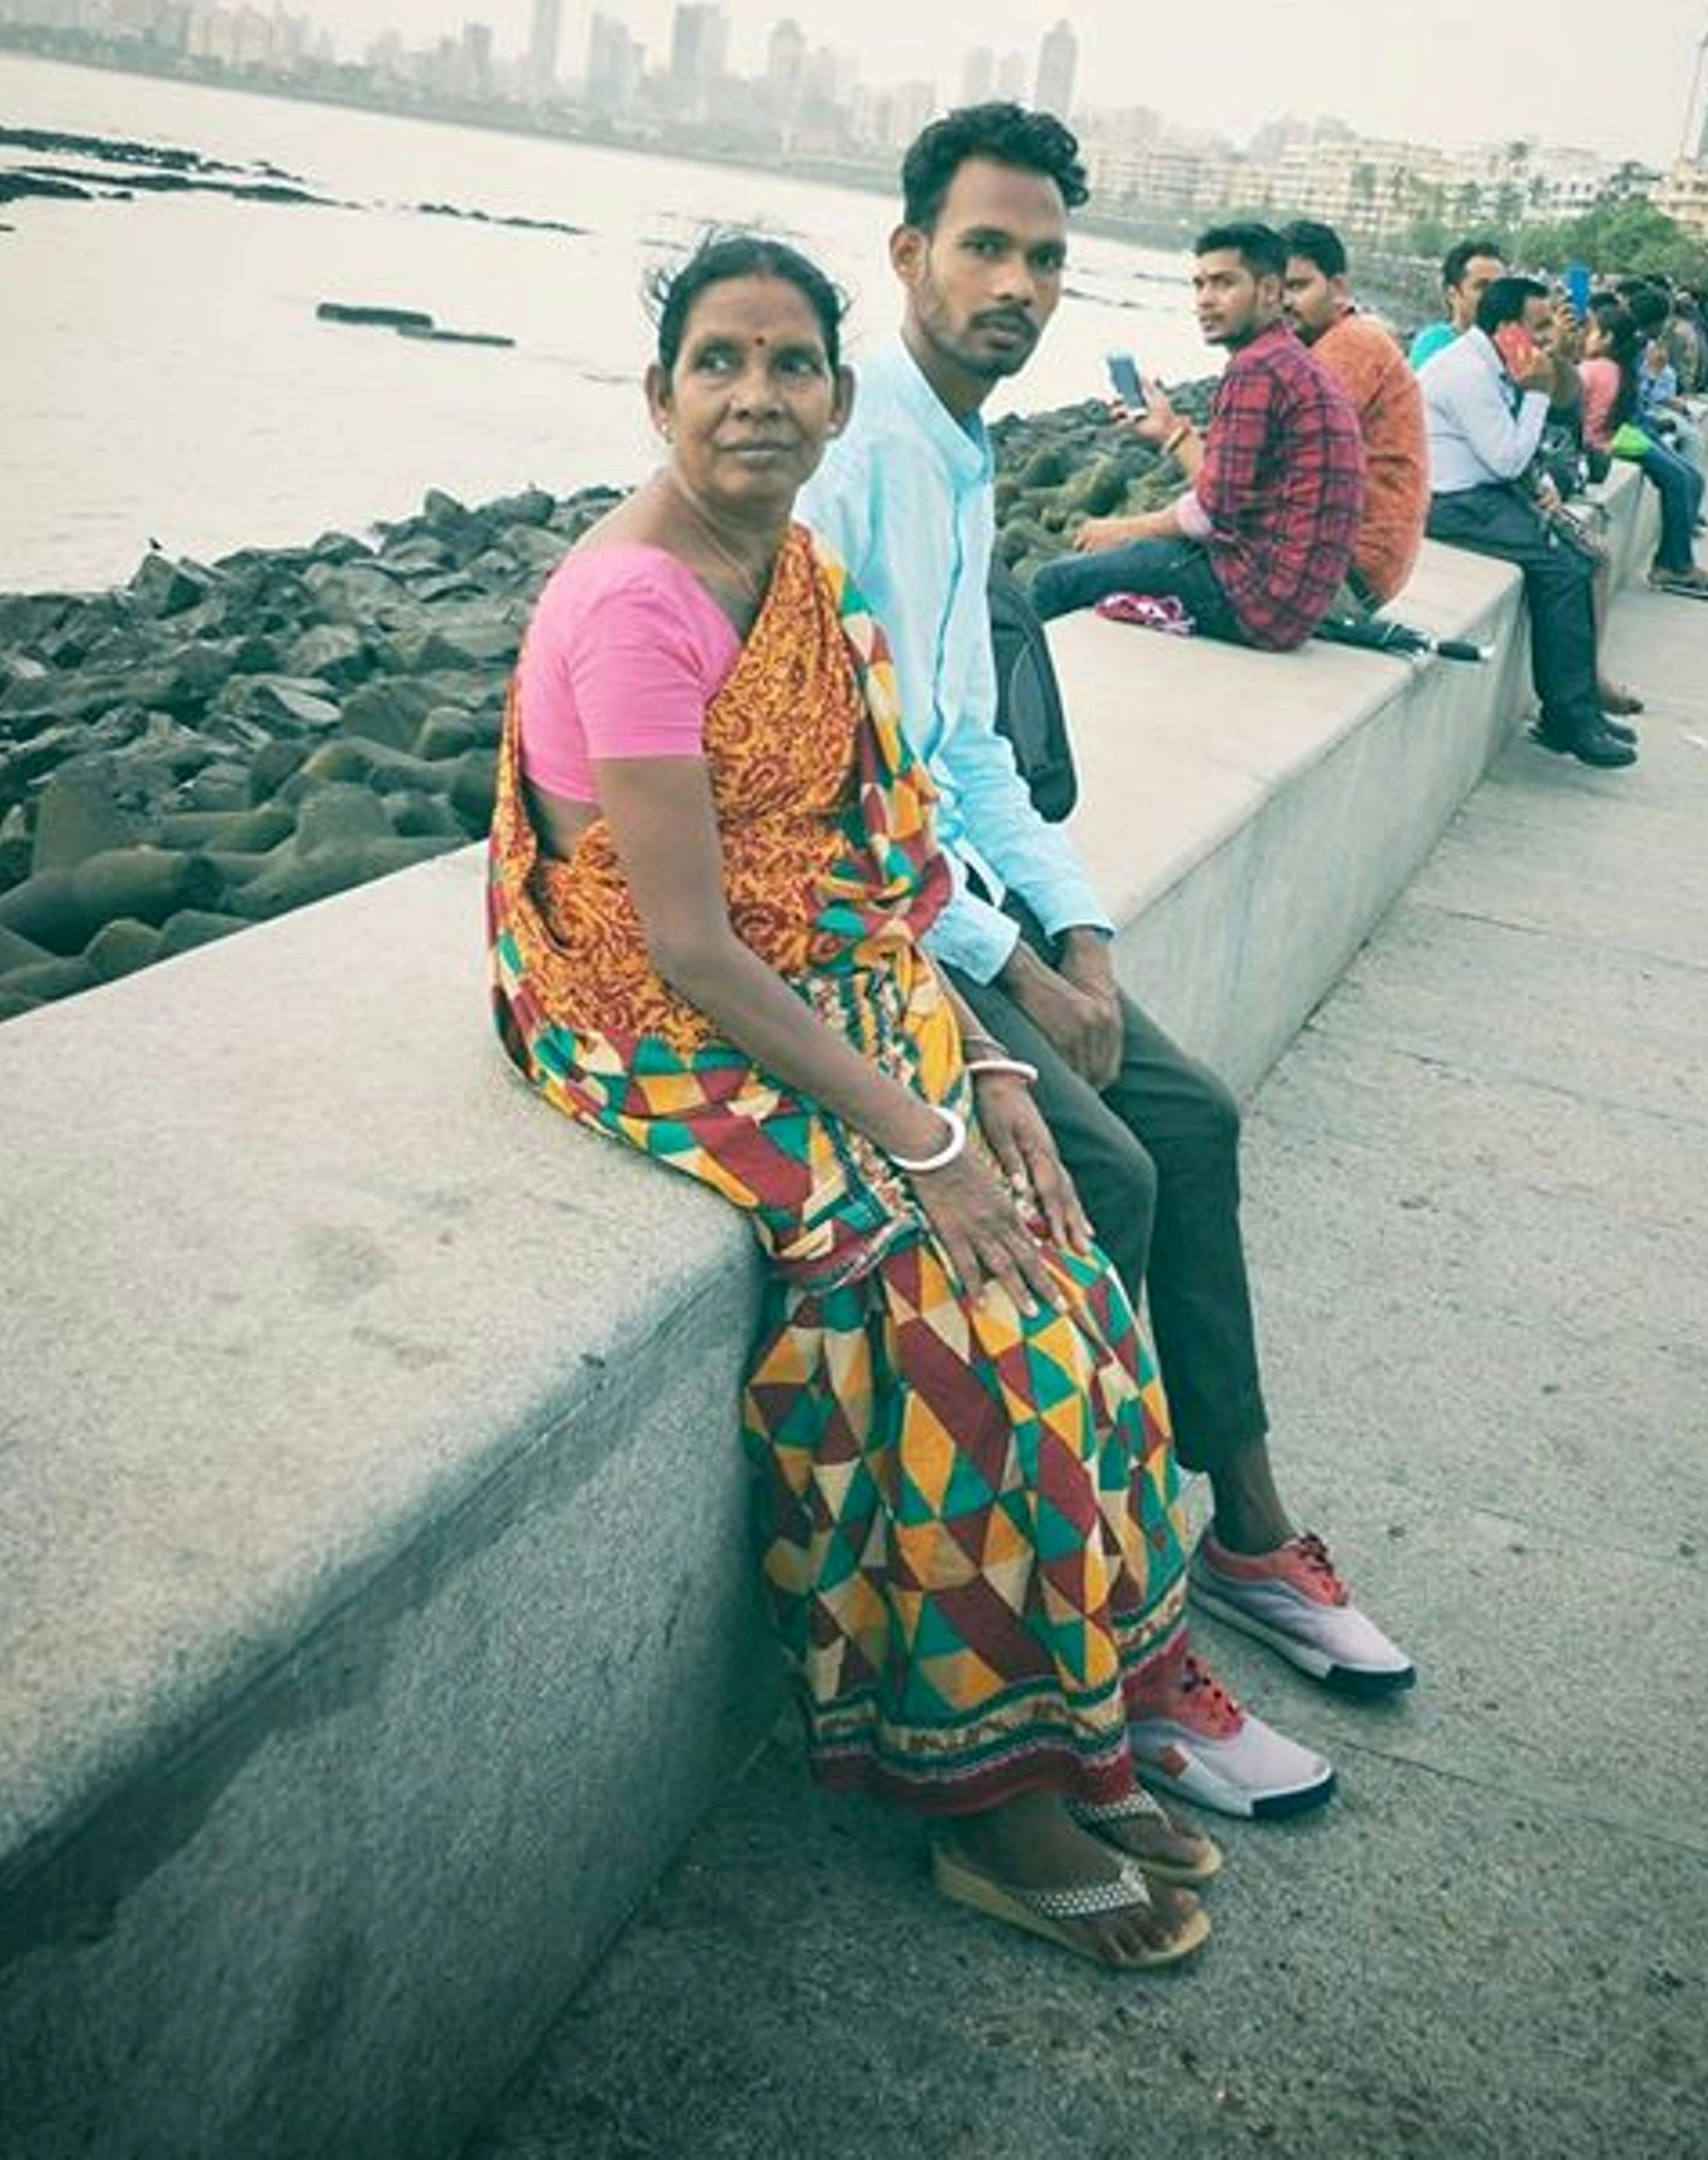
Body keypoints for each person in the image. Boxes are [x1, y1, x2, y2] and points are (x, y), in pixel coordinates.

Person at [488, 228, 1317, 1973]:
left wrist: (989, 1063)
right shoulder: (639, 601)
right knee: (941, 1328)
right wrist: (921, 1133)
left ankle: (1080, 1730)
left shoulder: (802, 577)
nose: (755, 396)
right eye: (718, 362)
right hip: (645, 1008)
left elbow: (882, 853)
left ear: (834, 397)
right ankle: (983, 1805)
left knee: (1073, 1286)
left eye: (790, 364)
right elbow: (688, 945)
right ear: (655, 395)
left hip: (823, 972)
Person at [801, 106, 1416, 1789]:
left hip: (959, 901)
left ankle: (1248, 1534)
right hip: (868, 922)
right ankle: (1119, 1639)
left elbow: (966, 750)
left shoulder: (958, 448)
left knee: (1191, 1120)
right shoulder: (856, 461)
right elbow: (842, 790)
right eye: (985, 248)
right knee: (1109, 1180)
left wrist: (1075, 930)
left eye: (1045, 258)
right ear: (908, 252)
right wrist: (1010, 962)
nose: (1017, 284)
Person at [1029, 220, 1365, 649]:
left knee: (1053, 581)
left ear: (1269, 291)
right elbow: (1231, 495)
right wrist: (1169, 431)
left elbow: (1211, 514)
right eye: (1199, 284)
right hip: (1293, 603)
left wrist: (1121, 530)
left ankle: (1013, 691)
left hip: (1254, 601)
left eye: (1224, 283)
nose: (1205, 300)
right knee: (1136, 557)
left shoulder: (1256, 369)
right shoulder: (1290, 360)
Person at [1419, 275, 1637, 769]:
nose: (1546, 340)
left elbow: (1519, 448)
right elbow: (1506, 459)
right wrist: (1537, 392)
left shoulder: (1495, 364)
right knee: (1561, 570)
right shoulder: (1466, 373)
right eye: (1537, 328)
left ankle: (1579, 707)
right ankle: (1568, 718)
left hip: (1483, 494)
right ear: (1506, 329)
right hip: (1452, 505)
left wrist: (1540, 482)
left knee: (1581, 559)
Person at [1278, 219, 1430, 605]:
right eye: (1275, 290)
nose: (1284, 302)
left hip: (1346, 572)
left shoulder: (1351, 345)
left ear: (1339, 288)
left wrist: (1176, 438)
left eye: (1298, 286)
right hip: (1344, 562)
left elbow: (1274, 461)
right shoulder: (1326, 343)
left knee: (1151, 562)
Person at [1580, 297, 1708, 604]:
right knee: (1679, 480)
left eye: (1591, 331)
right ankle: (1674, 565)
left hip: (1623, 435)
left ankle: (1676, 560)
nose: (1585, 337)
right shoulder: (1596, 369)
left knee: (1690, 479)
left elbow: (1635, 408)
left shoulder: (1613, 367)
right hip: (1610, 442)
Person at [1408, 240, 1507, 370]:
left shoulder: (1513, 347)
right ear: (1453, 295)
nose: (1495, 294)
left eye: (1501, 286)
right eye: (1482, 287)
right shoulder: (1435, 346)